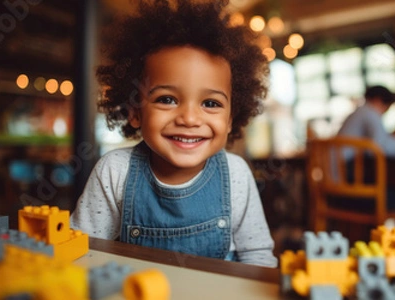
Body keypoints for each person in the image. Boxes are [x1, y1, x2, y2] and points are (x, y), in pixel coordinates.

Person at [71, 0, 276, 268]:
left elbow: (258, 258)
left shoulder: (236, 174)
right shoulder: (115, 171)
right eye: (167, 99)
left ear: (230, 119)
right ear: (135, 111)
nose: (189, 119)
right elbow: (81, 251)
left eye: (211, 103)